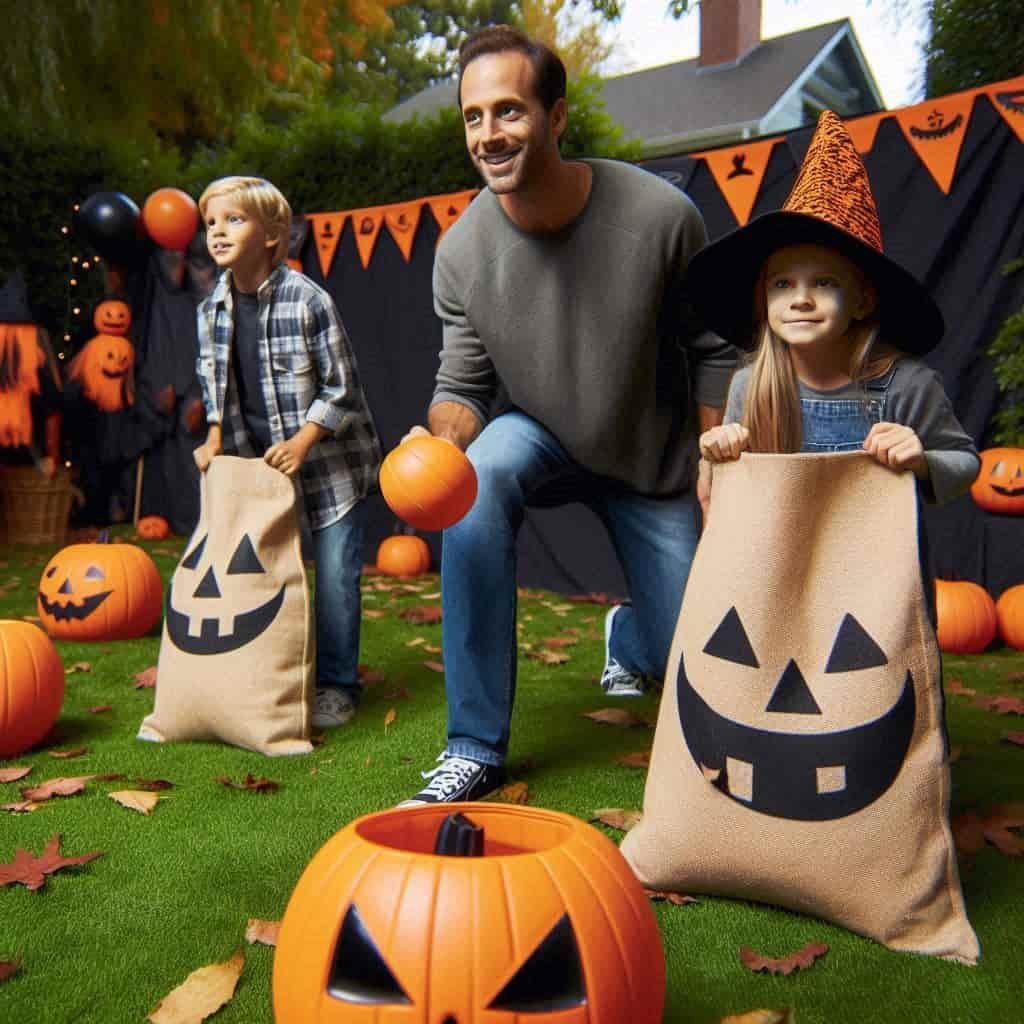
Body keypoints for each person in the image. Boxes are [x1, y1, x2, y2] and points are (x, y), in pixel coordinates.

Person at [399, 26, 736, 805]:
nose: (489, 134)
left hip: (651, 454)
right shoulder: (460, 254)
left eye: (509, 111)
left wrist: (717, 461)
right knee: (477, 482)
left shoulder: (659, 217)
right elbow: (464, 384)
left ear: (556, 118)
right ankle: (474, 746)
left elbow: (715, 348)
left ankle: (633, 636)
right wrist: (437, 448)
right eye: (474, 116)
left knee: (694, 647)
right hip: (541, 431)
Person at [692, 110, 979, 513]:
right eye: (782, 284)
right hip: (781, 559)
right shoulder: (750, 385)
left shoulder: (907, 385)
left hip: (876, 562)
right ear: (764, 300)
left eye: (824, 283)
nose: (801, 299)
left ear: (863, 301)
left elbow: (965, 463)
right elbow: (724, 492)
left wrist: (922, 459)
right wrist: (716, 455)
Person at [193, 176, 381, 728]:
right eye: (211, 223)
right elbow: (214, 381)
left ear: (274, 235)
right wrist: (213, 436)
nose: (218, 233)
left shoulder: (308, 301)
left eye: (234, 220)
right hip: (260, 463)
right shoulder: (212, 310)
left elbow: (342, 387)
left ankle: (339, 684)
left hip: (330, 465)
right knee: (265, 567)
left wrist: (304, 440)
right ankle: (275, 671)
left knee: (335, 575)